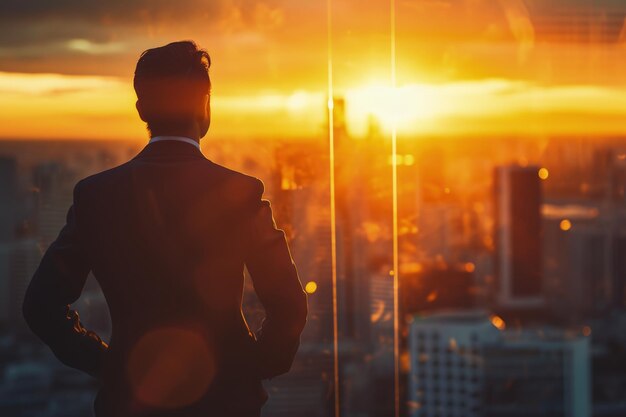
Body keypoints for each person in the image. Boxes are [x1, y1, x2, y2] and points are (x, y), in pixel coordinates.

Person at [22, 40, 308, 417]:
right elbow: (289, 305)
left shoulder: (96, 195)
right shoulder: (241, 193)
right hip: (226, 403)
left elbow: (41, 306)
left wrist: (108, 364)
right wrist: (255, 366)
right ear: (205, 105)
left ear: (141, 108)